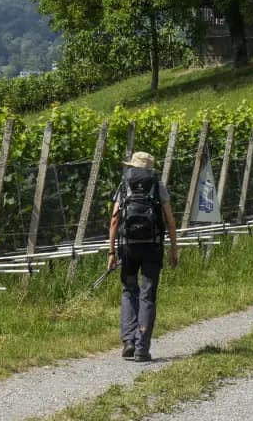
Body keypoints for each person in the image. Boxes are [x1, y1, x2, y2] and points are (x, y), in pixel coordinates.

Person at [107, 151, 178, 362]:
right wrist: (174, 249)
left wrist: (111, 251)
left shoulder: (124, 184)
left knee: (129, 291)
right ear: (150, 168)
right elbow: (170, 220)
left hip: (128, 247)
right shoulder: (157, 185)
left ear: (133, 166)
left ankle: (128, 340)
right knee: (147, 294)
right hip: (152, 247)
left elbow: (114, 219)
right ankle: (142, 348)